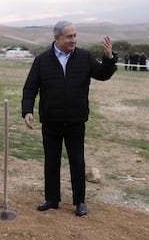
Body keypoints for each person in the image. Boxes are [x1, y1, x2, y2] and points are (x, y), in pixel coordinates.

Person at [21, 21, 117, 216]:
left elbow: (102, 74)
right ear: (57, 38)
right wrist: (27, 110)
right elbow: (30, 87)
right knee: (52, 161)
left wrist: (108, 58)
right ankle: (51, 199)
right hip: (51, 120)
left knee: (77, 162)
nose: (73, 39)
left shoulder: (84, 57)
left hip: (75, 120)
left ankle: (80, 202)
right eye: (69, 36)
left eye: (75, 35)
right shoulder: (42, 60)